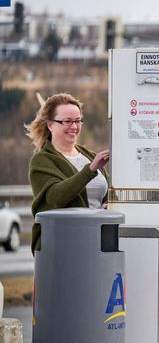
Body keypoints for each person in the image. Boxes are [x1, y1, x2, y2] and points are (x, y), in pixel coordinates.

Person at [26, 93, 110, 254]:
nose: (74, 126)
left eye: (78, 120)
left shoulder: (89, 156)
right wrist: (90, 170)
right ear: (50, 125)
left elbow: (104, 195)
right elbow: (55, 197)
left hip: (95, 243)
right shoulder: (41, 160)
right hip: (60, 247)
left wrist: (108, 206)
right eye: (67, 121)